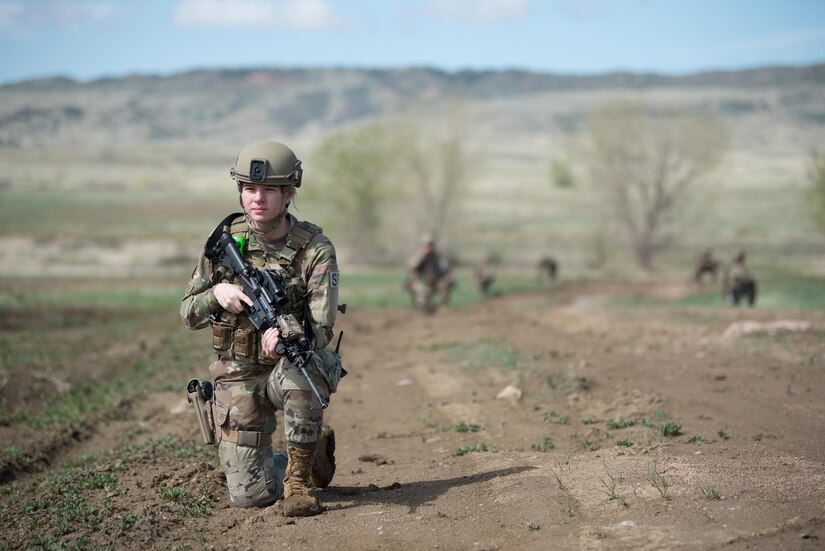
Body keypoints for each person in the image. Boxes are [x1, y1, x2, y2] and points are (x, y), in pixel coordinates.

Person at [180, 141, 342, 516]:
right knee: (249, 497)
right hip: (237, 377)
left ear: (288, 194)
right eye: (250, 189)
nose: (258, 198)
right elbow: (187, 312)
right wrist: (216, 293)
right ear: (240, 191)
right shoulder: (222, 245)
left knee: (307, 368)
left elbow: (321, 328)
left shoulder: (315, 249)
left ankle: (299, 483)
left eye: (269, 190)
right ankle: (312, 448)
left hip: (286, 368)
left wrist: (289, 336)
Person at [405, 235, 452, 313]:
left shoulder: (436, 256)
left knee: (445, 285)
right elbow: (411, 267)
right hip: (422, 283)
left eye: (430, 245)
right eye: (426, 245)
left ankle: (440, 308)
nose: (428, 247)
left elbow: (445, 267)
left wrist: (447, 276)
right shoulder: (417, 256)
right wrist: (422, 257)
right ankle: (424, 306)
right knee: (423, 305)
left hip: (435, 282)